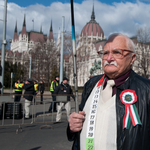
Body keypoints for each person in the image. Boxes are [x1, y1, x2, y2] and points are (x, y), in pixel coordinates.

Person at [67, 33, 150, 150]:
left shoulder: (147, 90)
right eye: (105, 53)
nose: (109, 58)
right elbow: (78, 127)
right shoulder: (91, 85)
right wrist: (72, 127)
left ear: (132, 58)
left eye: (117, 52)